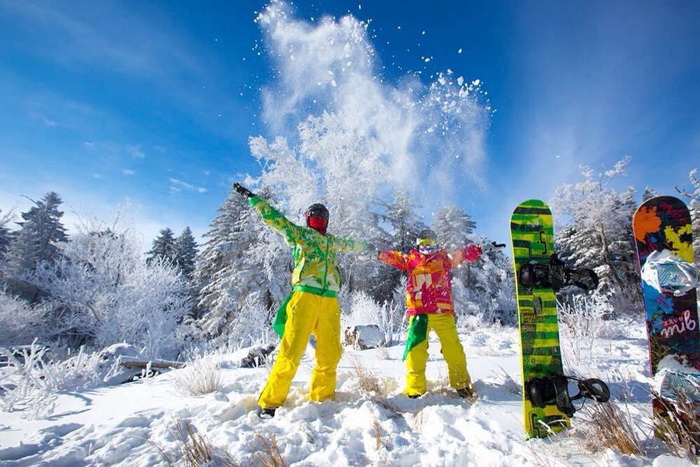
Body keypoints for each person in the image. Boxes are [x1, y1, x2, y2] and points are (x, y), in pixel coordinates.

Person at [233, 183, 367, 419]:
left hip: (330, 302)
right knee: (291, 352)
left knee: (330, 354)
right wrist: (253, 198)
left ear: (326, 220)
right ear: (307, 220)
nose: (317, 220)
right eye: (313, 216)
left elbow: (353, 245)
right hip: (304, 296)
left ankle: (322, 398)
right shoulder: (299, 235)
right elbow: (276, 219)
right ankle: (270, 402)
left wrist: (372, 248)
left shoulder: (333, 242)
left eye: (321, 217)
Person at [378, 229, 482, 399]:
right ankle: (415, 388)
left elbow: (460, 255)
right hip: (419, 314)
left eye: (430, 243)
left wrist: (474, 250)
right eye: (423, 243)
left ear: (436, 243)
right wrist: (379, 254)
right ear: (418, 244)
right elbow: (394, 257)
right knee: (415, 352)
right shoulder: (410, 260)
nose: (427, 247)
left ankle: (462, 384)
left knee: (453, 349)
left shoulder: (443, 259)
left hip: (442, 312)